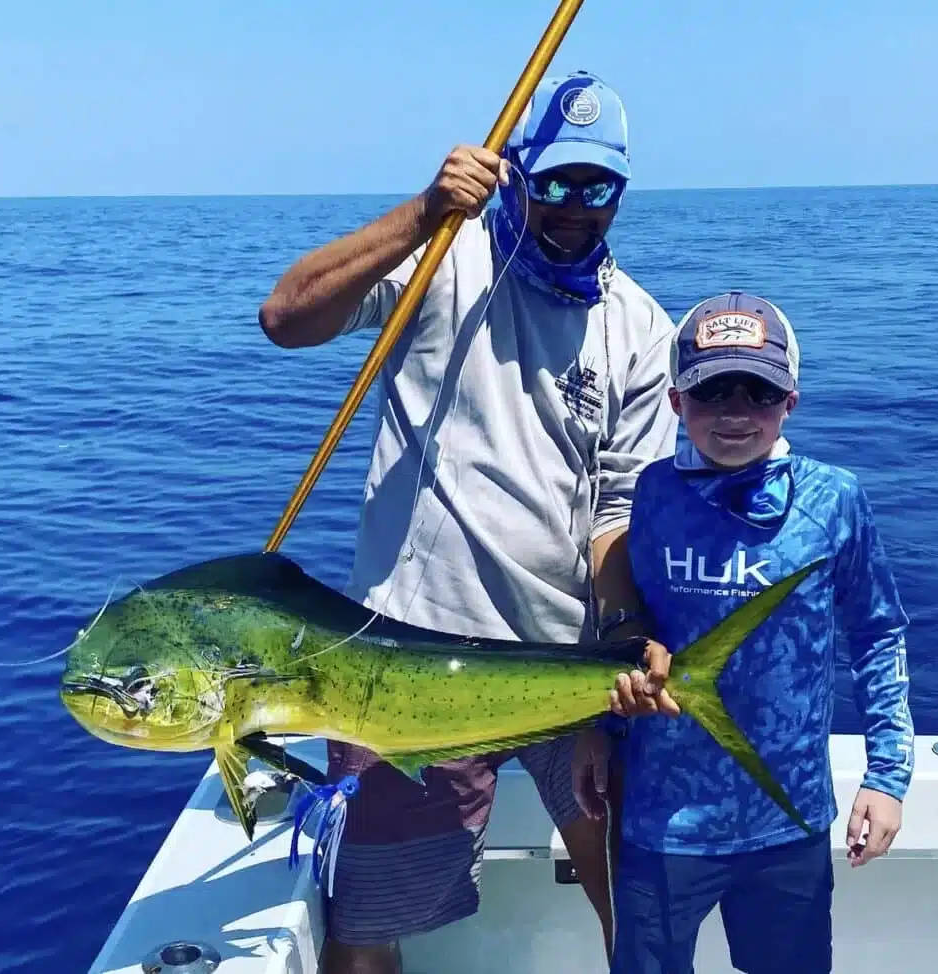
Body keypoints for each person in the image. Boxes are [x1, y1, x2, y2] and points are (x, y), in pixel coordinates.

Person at [260, 70, 679, 974]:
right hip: (404, 664)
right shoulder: (442, 259)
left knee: (637, 896)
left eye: (597, 187)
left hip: (561, 664)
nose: (574, 206)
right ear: (516, 172)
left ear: (621, 193)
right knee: (365, 923)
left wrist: (630, 630)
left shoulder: (640, 326)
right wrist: (423, 209)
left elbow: (616, 514)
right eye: (556, 182)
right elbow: (287, 318)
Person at [572, 290, 915, 974]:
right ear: (675, 403)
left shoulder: (835, 498)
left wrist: (888, 775)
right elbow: (627, 635)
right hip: (660, 820)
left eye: (756, 393)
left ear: (790, 400)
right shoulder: (654, 493)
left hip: (787, 820)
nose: (734, 414)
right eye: (710, 393)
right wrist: (595, 727)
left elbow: (877, 633)